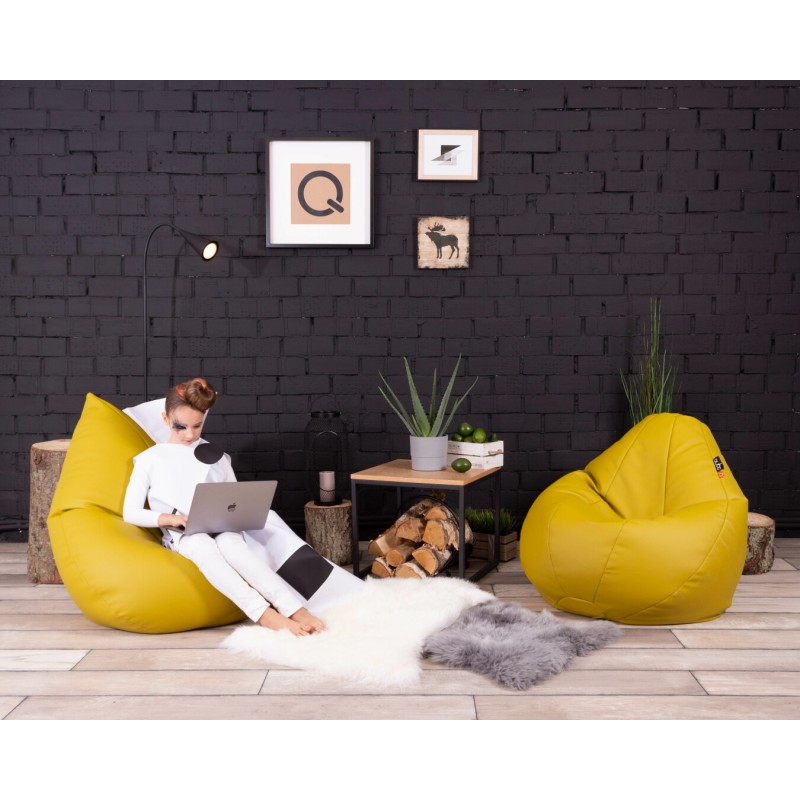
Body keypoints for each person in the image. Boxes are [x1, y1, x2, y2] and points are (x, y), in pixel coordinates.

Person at [123, 377, 362, 636]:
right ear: (165, 418)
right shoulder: (150, 460)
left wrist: (235, 514)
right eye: (180, 427)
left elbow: (232, 496)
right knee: (203, 547)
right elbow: (130, 512)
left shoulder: (215, 456)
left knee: (233, 546)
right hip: (182, 533)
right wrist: (172, 519)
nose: (190, 435)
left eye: (197, 426)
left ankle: (294, 609)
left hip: (220, 526)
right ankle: (265, 615)